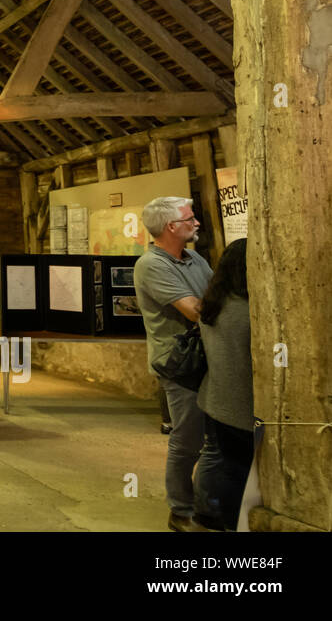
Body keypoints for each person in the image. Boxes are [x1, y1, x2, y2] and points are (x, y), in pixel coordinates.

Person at [133, 196, 213, 531]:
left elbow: (213, 297)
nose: (196, 223)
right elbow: (197, 309)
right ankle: (180, 510)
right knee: (188, 438)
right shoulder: (152, 265)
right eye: (189, 219)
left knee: (216, 436)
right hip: (179, 364)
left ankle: (209, 504)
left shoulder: (193, 258)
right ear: (171, 227)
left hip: (207, 357)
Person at [195, 238, 253, 530]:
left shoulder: (213, 304)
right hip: (240, 403)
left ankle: (205, 512)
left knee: (214, 455)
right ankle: (230, 520)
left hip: (214, 395)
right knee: (237, 468)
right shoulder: (250, 312)